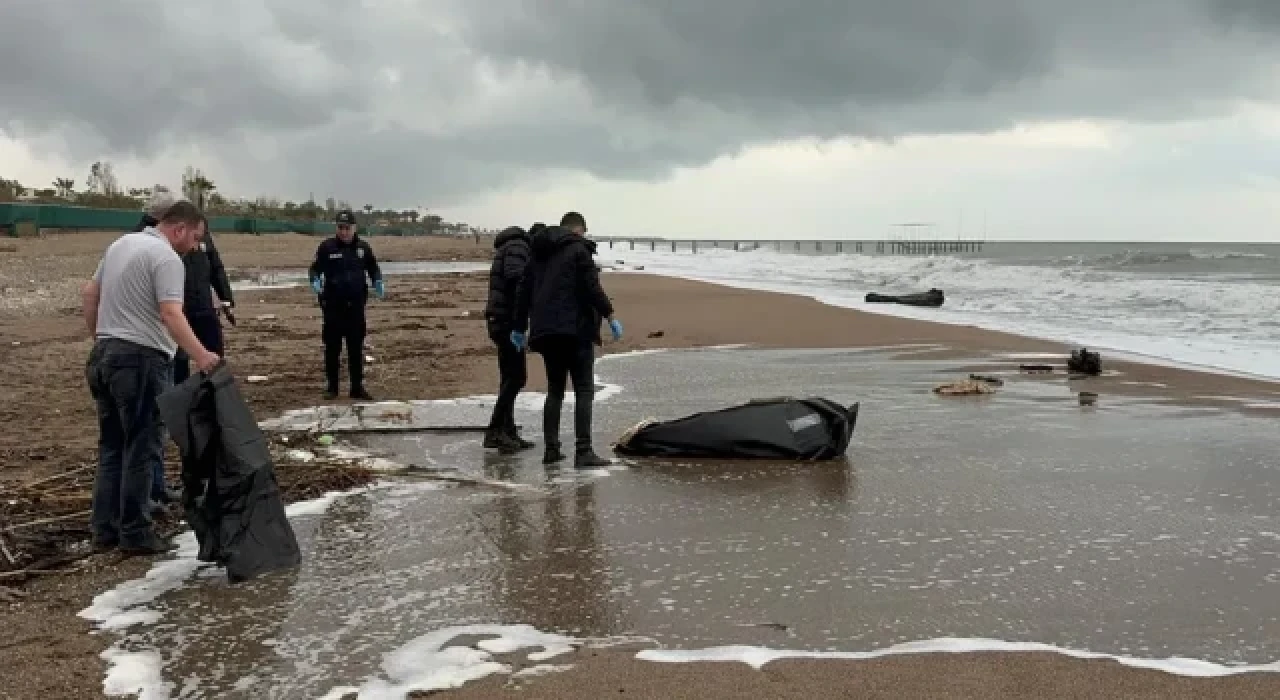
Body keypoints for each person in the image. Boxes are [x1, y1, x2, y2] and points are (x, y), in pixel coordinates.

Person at [81, 200, 220, 555]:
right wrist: (202, 356)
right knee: (142, 446)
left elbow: (90, 293)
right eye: (194, 238)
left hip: (104, 355)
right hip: (140, 360)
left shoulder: (120, 245)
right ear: (179, 229)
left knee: (112, 445)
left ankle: (104, 529)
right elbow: (171, 313)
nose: (195, 246)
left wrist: (101, 337)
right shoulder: (166, 258)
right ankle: (135, 533)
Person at [513, 211, 622, 468]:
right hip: (576, 331)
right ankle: (583, 452)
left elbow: (523, 292)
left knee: (555, 391)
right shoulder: (578, 250)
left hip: (546, 333)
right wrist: (610, 315)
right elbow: (592, 288)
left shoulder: (537, 253)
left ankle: (551, 450)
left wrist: (519, 327)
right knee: (584, 390)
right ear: (577, 230)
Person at [308, 208, 384, 400]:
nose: (344, 231)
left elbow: (373, 268)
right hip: (333, 308)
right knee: (332, 349)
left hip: (356, 309)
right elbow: (314, 269)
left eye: (347, 227)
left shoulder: (363, 248)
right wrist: (315, 280)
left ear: (354, 227)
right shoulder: (327, 247)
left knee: (355, 349)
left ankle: (356, 387)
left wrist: (377, 281)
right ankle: (332, 387)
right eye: (340, 227)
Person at [482, 224, 539, 453]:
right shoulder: (518, 247)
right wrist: (519, 325)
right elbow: (517, 281)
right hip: (506, 322)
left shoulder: (510, 247)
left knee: (509, 378)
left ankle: (508, 431)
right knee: (516, 378)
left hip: (499, 319)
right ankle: (494, 432)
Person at [172, 218, 234, 385]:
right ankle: (180, 400)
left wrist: (226, 298)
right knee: (178, 358)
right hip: (179, 309)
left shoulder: (205, 239)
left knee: (215, 354)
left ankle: (216, 395)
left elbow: (216, 267)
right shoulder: (167, 241)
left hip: (204, 305)